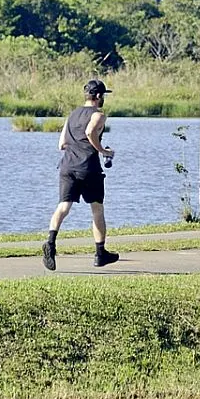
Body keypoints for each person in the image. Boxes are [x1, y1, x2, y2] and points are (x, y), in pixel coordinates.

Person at [41, 79, 120, 270]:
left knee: (63, 207)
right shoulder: (99, 115)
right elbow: (90, 131)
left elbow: (62, 144)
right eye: (104, 96)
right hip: (88, 168)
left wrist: (79, 145)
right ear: (99, 96)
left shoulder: (72, 115)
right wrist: (103, 151)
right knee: (97, 209)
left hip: (67, 166)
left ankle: (50, 243)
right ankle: (100, 253)